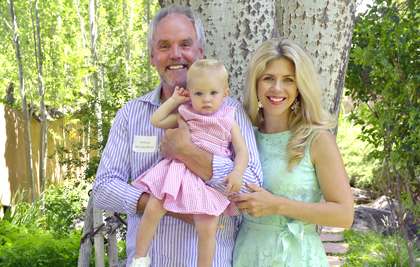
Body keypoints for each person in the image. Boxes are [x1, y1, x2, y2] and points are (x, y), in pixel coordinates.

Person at [92, 4, 263, 267]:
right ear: (152, 56)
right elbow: (103, 188)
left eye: (185, 44)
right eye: (164, 46)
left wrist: (188, 152)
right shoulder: (131, 114)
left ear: (200, 52)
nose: (175, 55)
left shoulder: (232, 112)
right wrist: (171, 204)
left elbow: (251, 188)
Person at [229, 38, 354, 267]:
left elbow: (344, 215)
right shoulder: (242, 137)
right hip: (247, 254)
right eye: (268, 78)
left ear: (299, 88)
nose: (277, 88)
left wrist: (278, 205)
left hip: (298, 256)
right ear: (256, 83)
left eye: (288, 80)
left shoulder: (317, 139)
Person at [130, 59, 249, 267]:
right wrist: (174, 101)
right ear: (190, 94)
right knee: (153, 207)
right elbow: (156, 120)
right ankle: (140, 257)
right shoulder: (186, 113)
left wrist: (237, 172)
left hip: (204, 181)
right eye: (199, 94)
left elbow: (242, 151)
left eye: (213, 93)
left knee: (208, 225)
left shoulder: (229, 119)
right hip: (177, 171)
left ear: (225, 94)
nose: (206, 99)